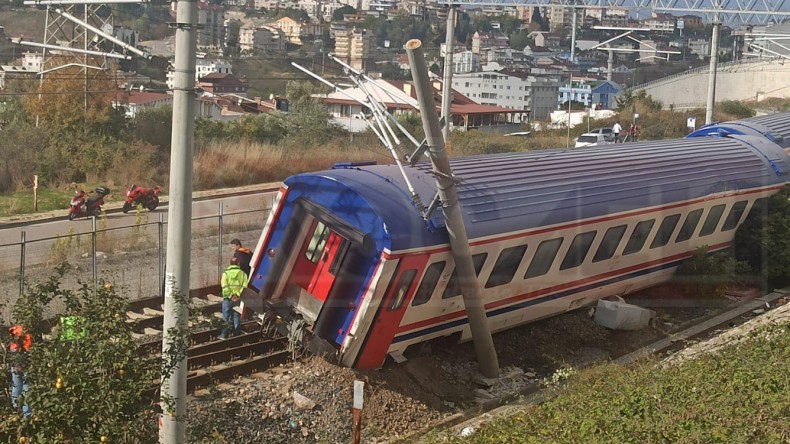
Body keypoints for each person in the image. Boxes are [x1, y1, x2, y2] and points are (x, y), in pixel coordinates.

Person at [220, 257, 248, 339]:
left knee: (225, 317)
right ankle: (236, 334)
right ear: (238, 264)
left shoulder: (225, 274)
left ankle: (223, 335)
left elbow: (224, 286)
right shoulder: (243, 274)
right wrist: (237, 295)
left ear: (230, 263)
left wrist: (231, 295)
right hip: (238, 299)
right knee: (236, 316)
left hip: (228, 299)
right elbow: (244, 286)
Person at [7, 324, 32, 417]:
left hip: (15, 362)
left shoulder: (14, 331)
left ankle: (15, 410)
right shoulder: (27, 331)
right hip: (24, 361)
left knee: (16, 387)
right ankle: (27, 414)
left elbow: (12, 350)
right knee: (26, 388)